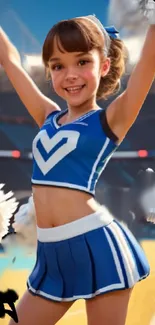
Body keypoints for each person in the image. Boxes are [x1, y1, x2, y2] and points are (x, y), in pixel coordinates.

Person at [0, 12, 154, 325]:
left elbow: (149, 63)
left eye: (82, 61)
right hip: (51, 255)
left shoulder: (109, 120)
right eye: (58, 65)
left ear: (105, 65)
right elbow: (10, 60)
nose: (70, 74)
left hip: (97, 247)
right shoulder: (47, 116)